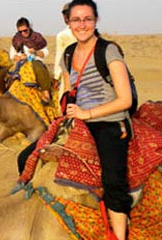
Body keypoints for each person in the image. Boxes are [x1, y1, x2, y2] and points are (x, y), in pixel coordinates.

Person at [61, 0, 133, 239]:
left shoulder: (108, 50)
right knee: (28, 156)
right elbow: (71, 91)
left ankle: (120, 235)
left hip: (110, 121)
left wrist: (87, 114)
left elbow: (125, 100)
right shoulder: (68, 53)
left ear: (95, 21)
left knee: (113, 180)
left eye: (87, 19)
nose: (82, 24)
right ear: (68, 23)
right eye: (76, 19)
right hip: (79, 122)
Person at [9, 17, 52, 104]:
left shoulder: (37, 38)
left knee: (39, 68)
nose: (23, 33)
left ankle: (46, 92)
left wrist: (36, 52)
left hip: (35, 61)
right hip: (22, 63)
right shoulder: (16, 40)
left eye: (25, 30)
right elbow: (12, 56)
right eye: (20, 31)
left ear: (29, 28)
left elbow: (45, 52)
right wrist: (20, 57)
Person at [53, 2, 77, 101]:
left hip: (68, 72)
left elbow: (60, 56)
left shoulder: (62, 35)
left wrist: (56, 76)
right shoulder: (88, 32)